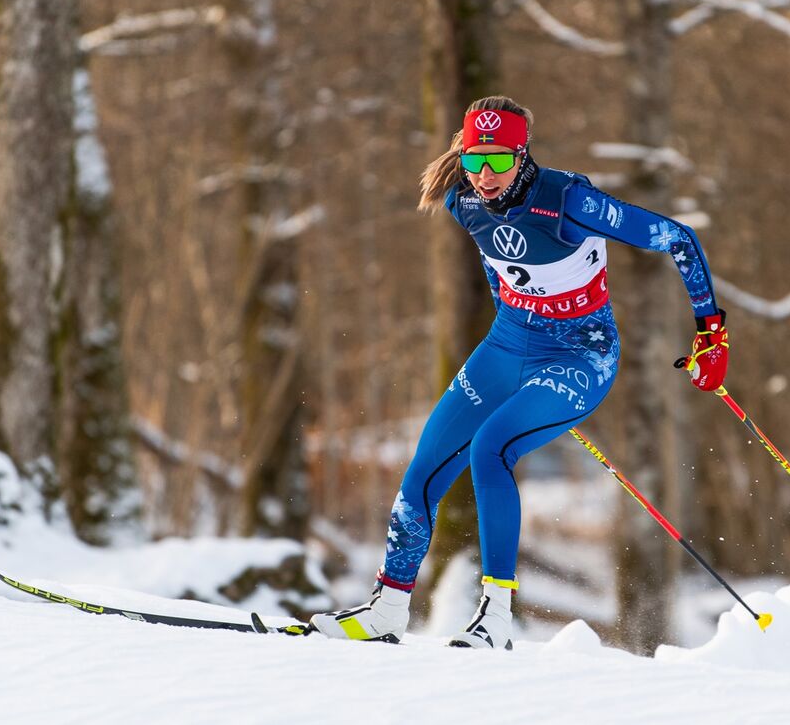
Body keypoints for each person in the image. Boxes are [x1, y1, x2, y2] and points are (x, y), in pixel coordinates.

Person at [310, 95, 728, 648]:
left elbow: (679, 238)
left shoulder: (571, 202)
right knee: (426, 463)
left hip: (581, 355)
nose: (485, 175)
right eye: (476, 159)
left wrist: (711, 333)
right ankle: (387, 608)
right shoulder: (461, 198)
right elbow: (501, 267)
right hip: (507, 346)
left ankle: (496, 620)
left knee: (491, 450)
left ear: (523, 155)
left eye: (499, 161)